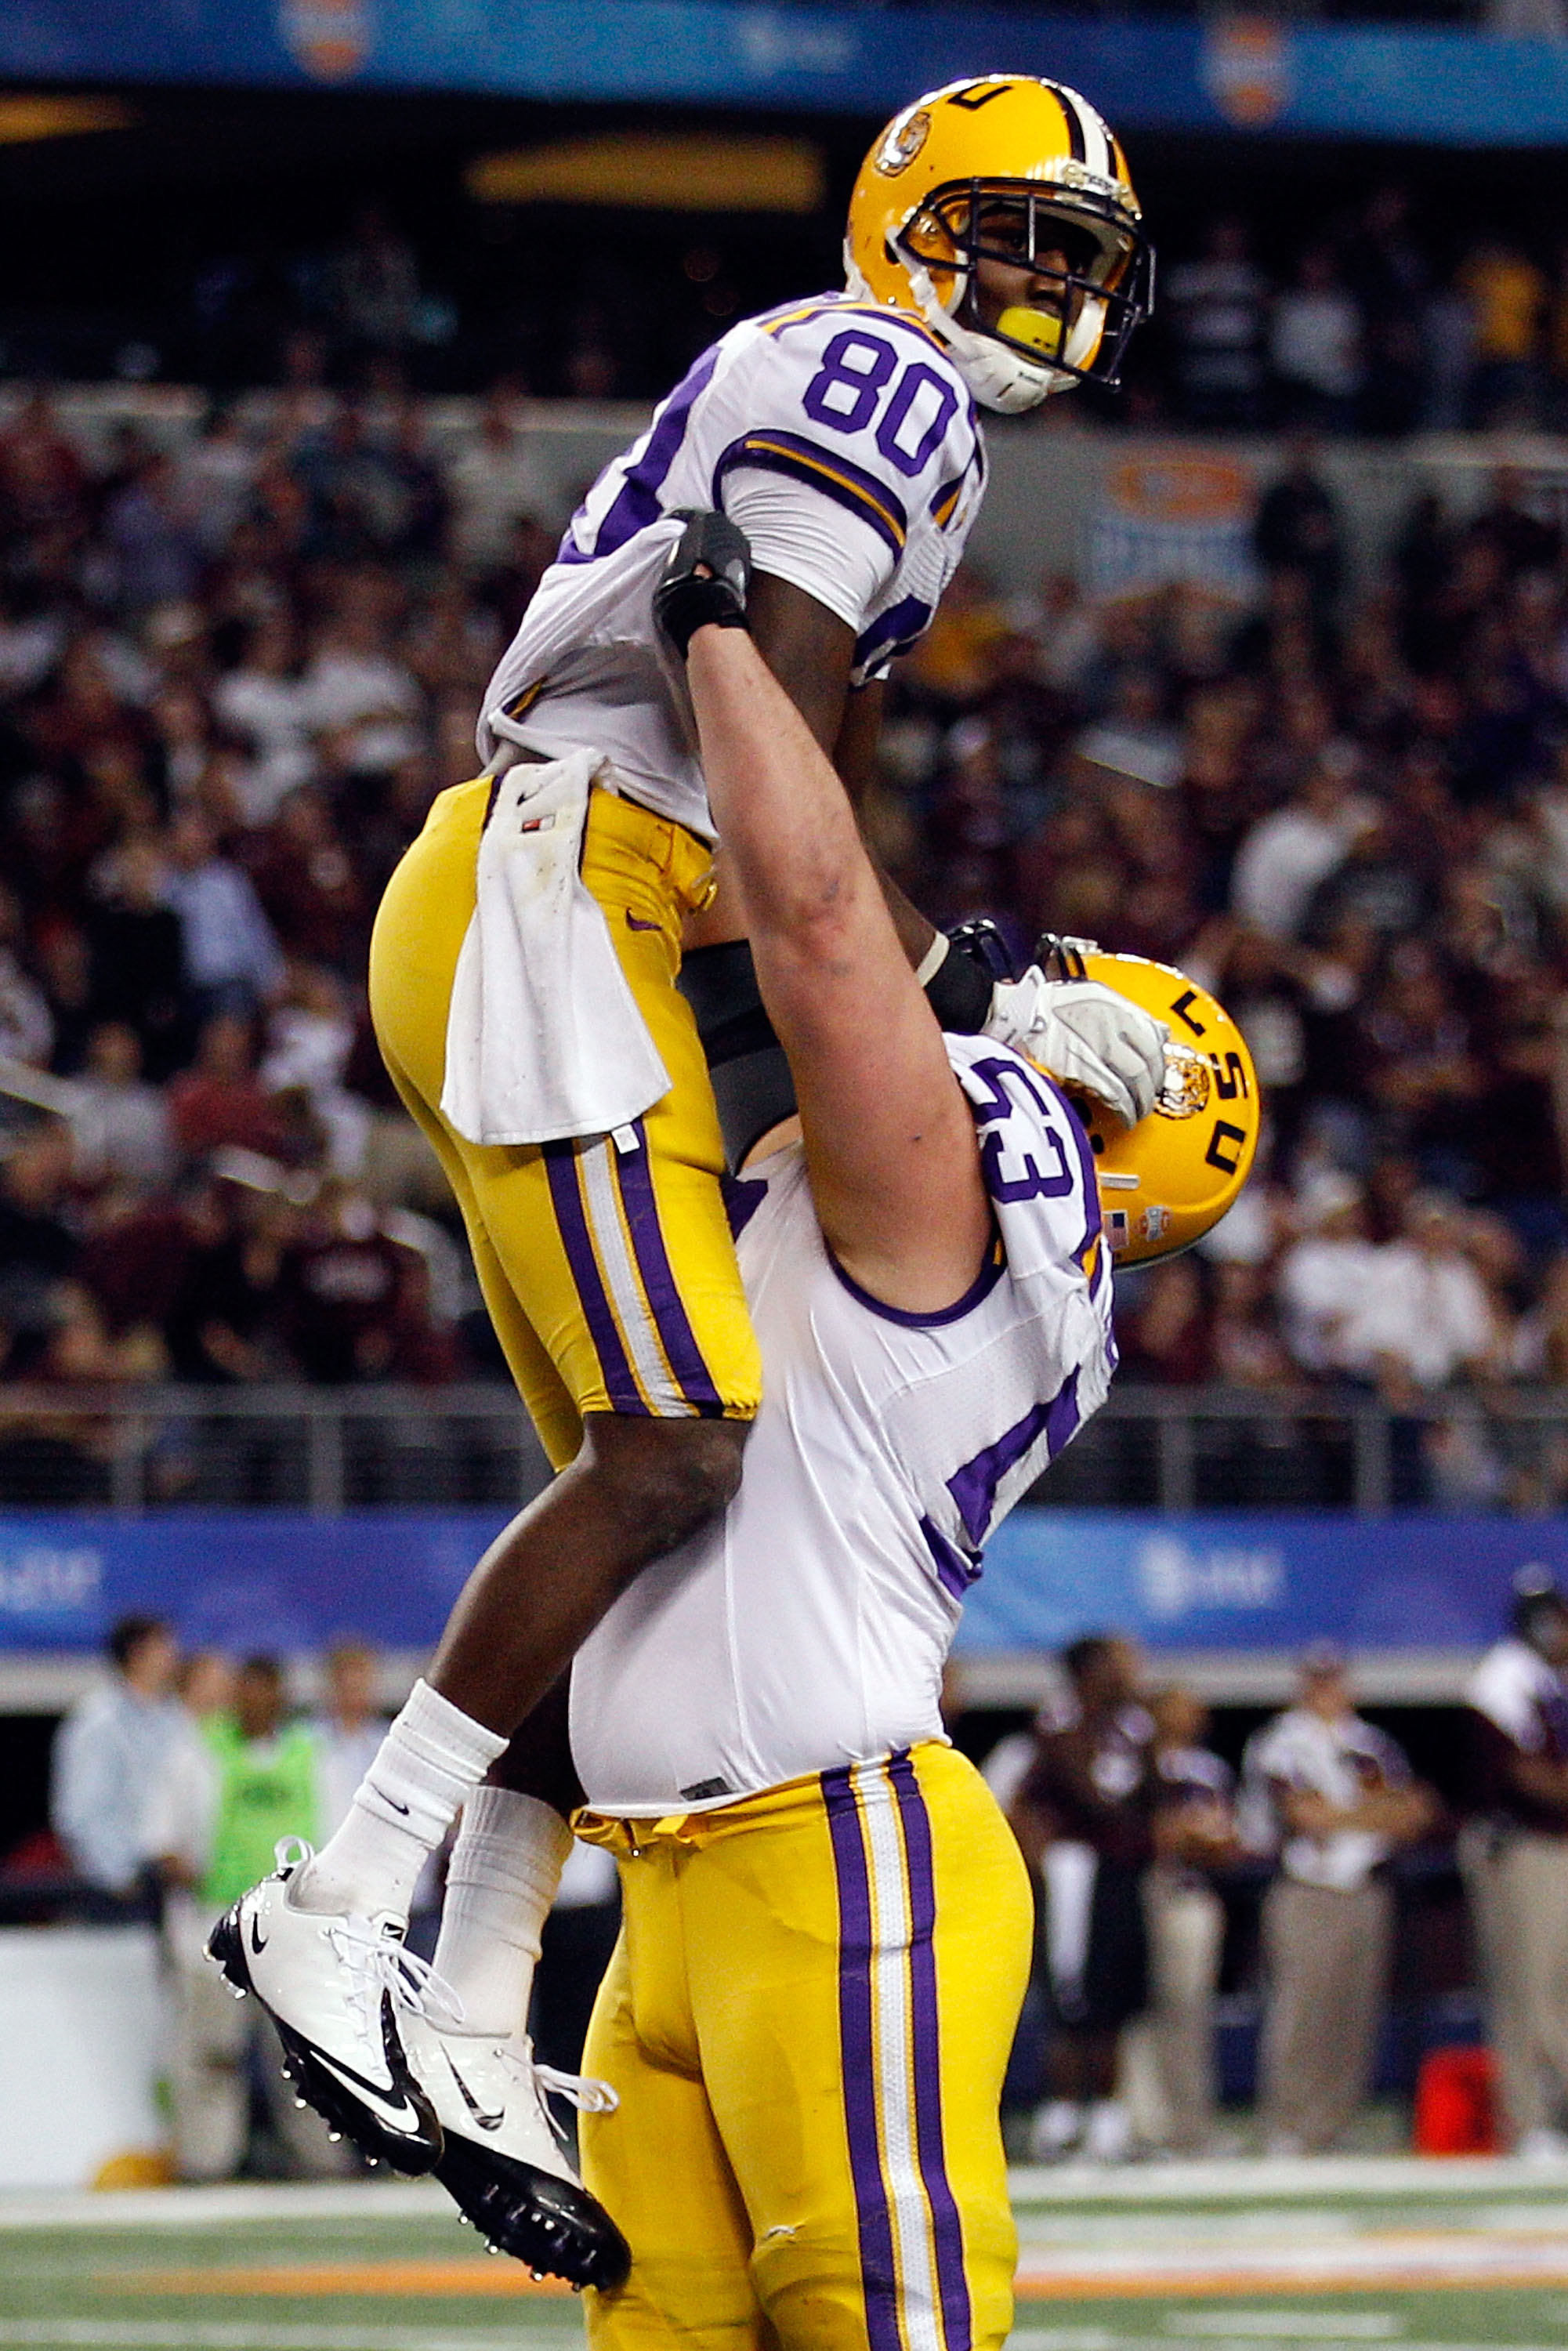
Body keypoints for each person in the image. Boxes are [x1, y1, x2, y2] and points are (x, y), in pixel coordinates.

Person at [205, 75, 1167, 2208]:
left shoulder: (922, 423)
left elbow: (817, 794)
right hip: (568, 880)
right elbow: (776, 734)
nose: (1045, 285)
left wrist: (959, 978)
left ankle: (465, 2012)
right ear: (911, 223)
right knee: (675, 1451)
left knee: (643, 1496)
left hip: (596, 907)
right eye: (1015, 233)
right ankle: (343, 1908)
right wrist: (981, 986)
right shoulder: (876, 370)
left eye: (1078, 258)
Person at [147, 1654, 352, 2182]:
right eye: (246, 1691)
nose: (254, 1702)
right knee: (212, 2054)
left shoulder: (313, 1755)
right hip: (216, 1927)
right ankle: (206, 2162)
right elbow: (164, 1840)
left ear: (281, 1698)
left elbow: (339, 1840)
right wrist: (189, 1871)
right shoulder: (197, 1751)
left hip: (294, 1933)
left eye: (266, 1692)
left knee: (304, 2054)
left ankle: (321, 2159)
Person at [1240, 1646, 1435, 2155]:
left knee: (1353, 2014)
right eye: (1318, 1681)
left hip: (1365, 1888)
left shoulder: (1370, 1744)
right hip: (1306, 1888)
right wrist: (1370, 1813)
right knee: (1301, 2010)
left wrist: (1347, 1813)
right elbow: (1304, 1815)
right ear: (1303, 1685)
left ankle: (1333, 2121)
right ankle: (1287, 2122)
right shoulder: (1281, 1742)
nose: (1329, 1691)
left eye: (1335, 1680)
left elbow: (1412, 1813)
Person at [1009, 1634, 1156, 2164]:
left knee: (1116, 1994)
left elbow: (1146, 1800)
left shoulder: (1132, 1724)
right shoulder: (1058, 1722)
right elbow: (1085, 1797)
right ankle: (1060, 2119)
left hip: (1120, 1871)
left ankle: (1108, 2122)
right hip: (1076, 1870)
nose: (1130, 1670)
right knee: (1072, 1995)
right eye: (1119, 1661)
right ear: (1091, 1669)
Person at [1461, 1572, 1568, 2159]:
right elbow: (1519, 1772)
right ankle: (1526, 2121)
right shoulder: (1502, 1676)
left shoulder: (1547, 1678)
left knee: (1556, 1987)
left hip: (1553, 1846)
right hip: (1522, 1847)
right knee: (1525, 1987)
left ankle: (1550, 2114)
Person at [1124, 1686, 1237, 2156]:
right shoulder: (1134, 1765)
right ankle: (1143, 2126)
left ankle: (1191, 2126)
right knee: (1136, 2010)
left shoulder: (1206, 1770)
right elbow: (1145, 1835)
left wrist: (1184, 1838)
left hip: (1189, 1895)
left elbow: (1223, 1843)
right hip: (1137, 1891)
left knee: (1188, 2012)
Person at [50, 1614, 181, 1909]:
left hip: (167, 1885)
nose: (174, 1655)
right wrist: (121, 1878)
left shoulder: (174, 1718)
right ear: (137, 1654)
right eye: (165, 1647)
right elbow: (79, 1813)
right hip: (116, 1890)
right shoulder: (98, 1721)